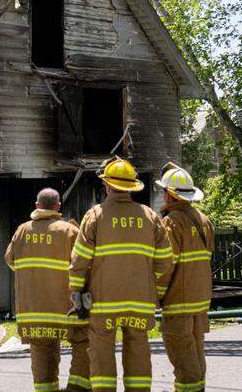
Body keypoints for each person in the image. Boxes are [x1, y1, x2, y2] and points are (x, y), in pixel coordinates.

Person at [69, 157, 174, 391]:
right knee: (138, 349)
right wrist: (151, 286)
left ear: (107, 186)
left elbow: (79, 260)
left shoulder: (95, 215)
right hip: (139, 300)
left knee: (101, 351)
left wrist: (76, 292)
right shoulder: (150, 217)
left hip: (103, 302)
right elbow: (166, 262)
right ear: (131, 187)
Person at [4, 187, 90, 392]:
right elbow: (85, 265)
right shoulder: (69, 231)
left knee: (41, 349)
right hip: (66, 310)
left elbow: (10, 261)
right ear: (58, 207)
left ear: (36, 206)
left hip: (34, 311)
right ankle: (77, 387)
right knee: (84, 341)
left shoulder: (22, 230)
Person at [157, 163, 214, 392]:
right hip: (200, 295)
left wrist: (157, 295)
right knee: (195, 344)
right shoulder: (204, 219)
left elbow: (165, 263)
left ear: (170, 195)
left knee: (180, 345)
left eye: (163, 191)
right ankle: (197, 386)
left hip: (179, 296)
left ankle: (188, 388)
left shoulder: (172, 222)